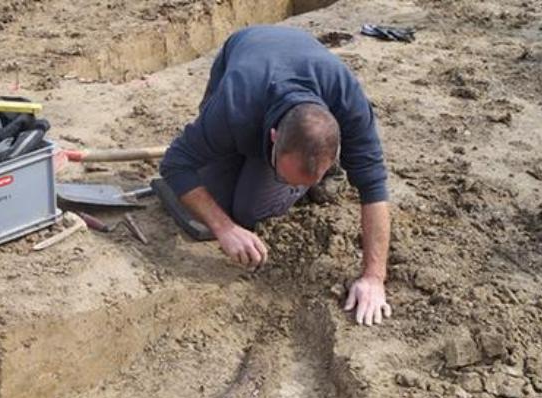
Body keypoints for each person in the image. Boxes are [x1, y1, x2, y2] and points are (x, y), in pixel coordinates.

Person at [159, 25, 392, 327]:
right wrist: (225, 228)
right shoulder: (234, 105)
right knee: (215, 200)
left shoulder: (349, 104)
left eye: (303, 183)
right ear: (273, 138)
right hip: (243, 55)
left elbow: (374, 189)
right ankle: (265, 170)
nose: (294, 186)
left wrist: (374, 277)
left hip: (290, 63)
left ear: (336, 153)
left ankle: (299, 177)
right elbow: (175, 164)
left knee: (249, 208)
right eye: (288, 178)